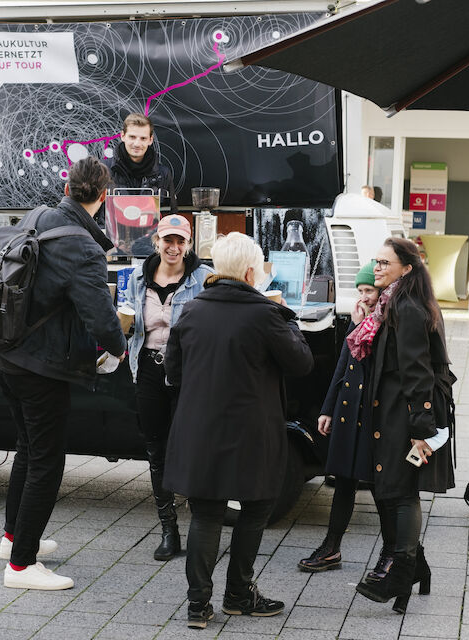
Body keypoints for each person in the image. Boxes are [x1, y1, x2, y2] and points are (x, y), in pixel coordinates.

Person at [0, 157, 126, 590]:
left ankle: (13, 539)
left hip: (3, 349)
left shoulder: (39, 215)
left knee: (29, 447)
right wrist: (119, 350)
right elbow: (101, 318)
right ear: (103, 197)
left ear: (67, 187)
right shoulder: (83, 246)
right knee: (47, 459)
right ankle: (22, 566)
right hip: (38, 363)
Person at [163, 232, 314, 629]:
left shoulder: (192, 310)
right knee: (257, 507)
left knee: (206, 512)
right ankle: (238, 593)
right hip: (252, 430)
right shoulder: (265, 313)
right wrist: (288, 317)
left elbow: (172, 371)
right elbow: (301, 363)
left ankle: (198, 606)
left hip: (200, 428)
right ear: (251, 271)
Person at [351, 237, 455, 613]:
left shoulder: (408, 307)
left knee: (400, 489)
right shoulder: (388, 303)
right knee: (385, 487)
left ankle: (402, 568)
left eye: (384, 263)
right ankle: (415, 567)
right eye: (375, 261)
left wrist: (421, 427)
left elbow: (417, 371)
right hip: (389, 408)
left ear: (406, 269)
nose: (377, 268)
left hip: (406, 412)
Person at [124, 214, 213, 561]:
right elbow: (133, 324)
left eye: (180, 241)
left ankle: (200, 530)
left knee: (190, 447)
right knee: (155, 449)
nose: (174, 248)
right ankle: (168, 529)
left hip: (187, 372)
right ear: (157, 241)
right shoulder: (137, 276)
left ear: (188, 244)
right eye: (168, 240)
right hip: (147, 367)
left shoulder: (203, 279)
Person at [298, 262, 396, 575]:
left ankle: (395, 554)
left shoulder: (389, 322)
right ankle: (331, 547)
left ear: (381, 292)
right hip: (349, 410)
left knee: (380, 487)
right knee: (343, 479)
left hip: (374, 413)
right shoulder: (364, 322)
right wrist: (328, 408)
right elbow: (343, 366)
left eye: (369, 291)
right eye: (361, 291)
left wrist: (362, 327)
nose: (364, 297)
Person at [103, 112, 177, 213]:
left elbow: (170, 216)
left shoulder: (163, 174)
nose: (137, 144)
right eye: (132, 137)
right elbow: (92, 214)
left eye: (143, 138)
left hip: (153, 229)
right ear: (123, 136)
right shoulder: (103, 171)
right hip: (110, 229)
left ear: (150, 140)